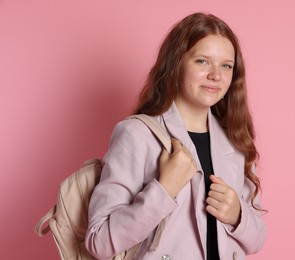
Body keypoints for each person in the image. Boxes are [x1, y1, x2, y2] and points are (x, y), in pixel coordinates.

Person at [85, 12, 266, 260]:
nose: (216, 75)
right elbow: (99, 241)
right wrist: (164, 189)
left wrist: (238, 215)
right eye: (202, 61)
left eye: (226, 65)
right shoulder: (137, 135)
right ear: (177, 64)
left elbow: (257, 239)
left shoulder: (236, 143)